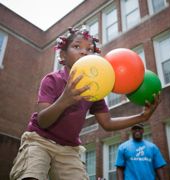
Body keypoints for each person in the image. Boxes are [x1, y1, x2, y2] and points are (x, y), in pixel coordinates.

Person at [10, 27, 160, 180]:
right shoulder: (52, 80)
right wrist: (64, 100)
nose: (84, 52)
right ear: (63, 55)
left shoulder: (96, 88)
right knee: (30, 176)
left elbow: (107, 123)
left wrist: (142, 117)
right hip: (40, 140)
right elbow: (42, 121)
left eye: (89, 49)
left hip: (69, 148)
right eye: (77, 46)